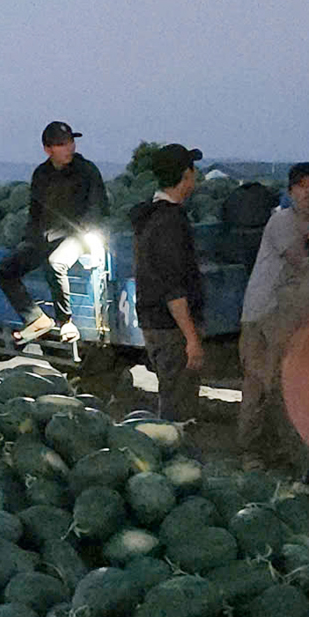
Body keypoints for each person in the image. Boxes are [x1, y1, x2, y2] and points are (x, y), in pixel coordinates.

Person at [237, 163, 309, 462]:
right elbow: (303, 263)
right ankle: (249, 452)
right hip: (264, 311)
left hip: (289, 313)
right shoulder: (282, 222)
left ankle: (277, 449)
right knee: (260, 382)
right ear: (290, 192)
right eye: (302, 185)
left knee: (285, 382)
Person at [0, 121, 108, 343]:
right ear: (48, 149)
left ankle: (66, 321)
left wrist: (73, 232)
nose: (69, 148)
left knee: (56, 263)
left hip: (80, 236)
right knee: (3, 270)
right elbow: (35, 212)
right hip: (48, 236)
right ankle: (36, 318)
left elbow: (98, 209)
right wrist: (30, 240)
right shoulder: (41, 174)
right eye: (62, 144)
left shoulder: (86, 170)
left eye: (71, 142)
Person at [129, 144, 205, 424]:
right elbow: (174, 288)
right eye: (193, 171)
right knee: (179, 410)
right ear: (186, 175)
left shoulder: (150, 217)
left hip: (156, 324)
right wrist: (192, 339)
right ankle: (175, 455)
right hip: (171, 329)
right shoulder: (169, 223)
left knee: (171, 396)